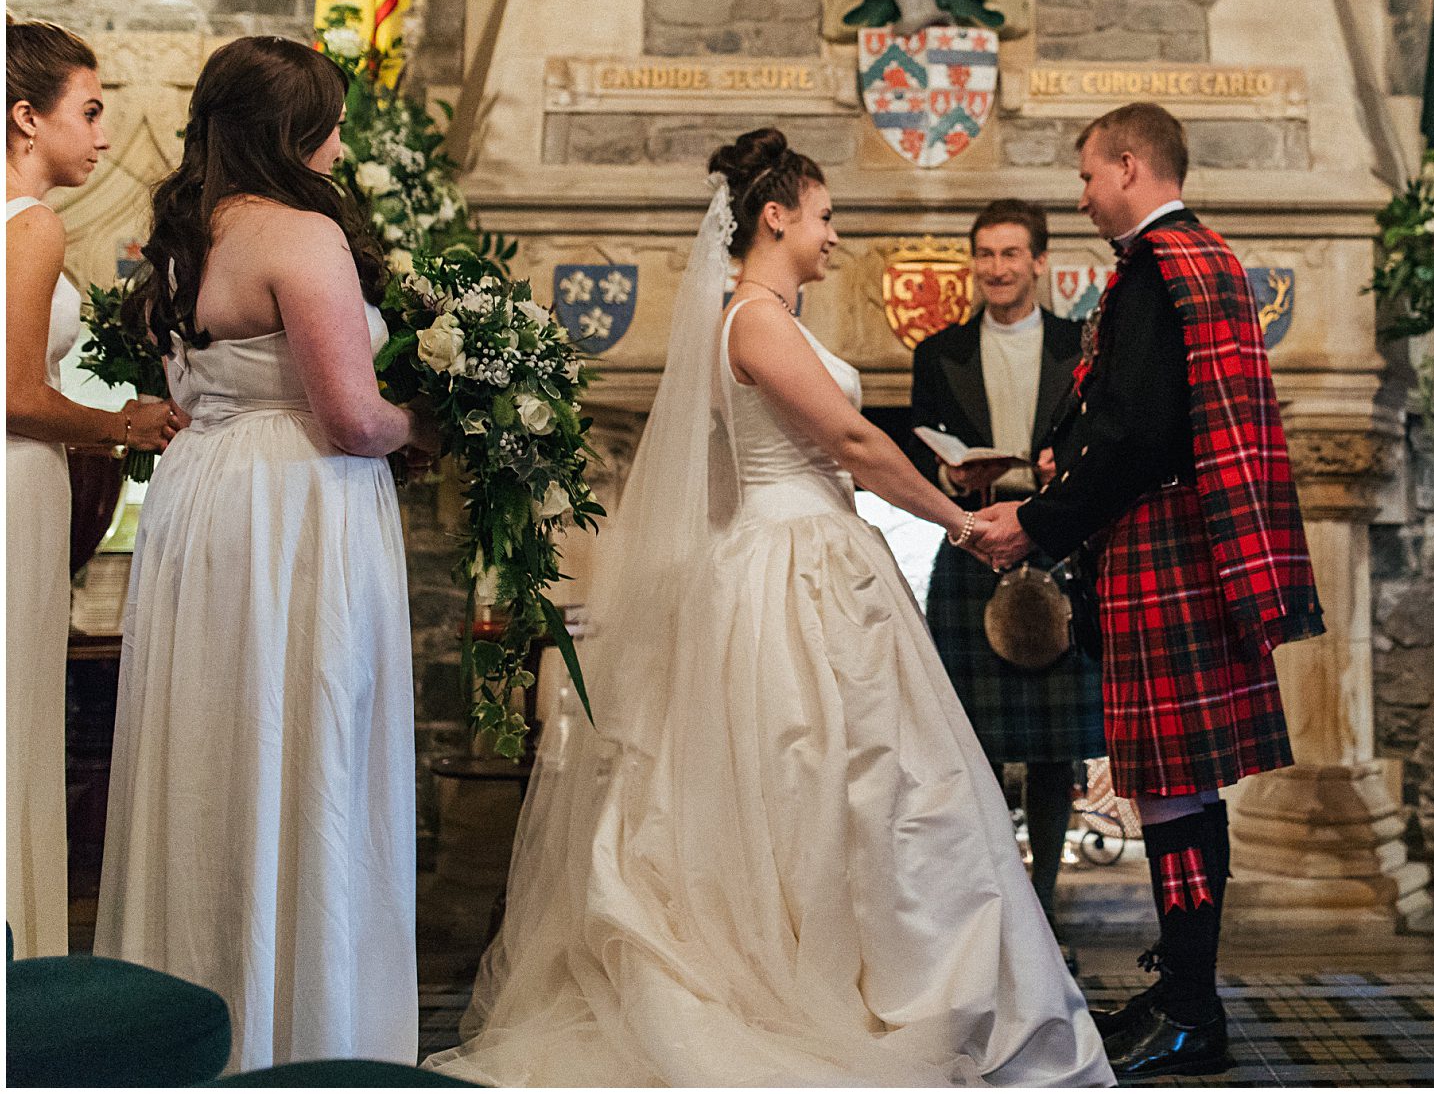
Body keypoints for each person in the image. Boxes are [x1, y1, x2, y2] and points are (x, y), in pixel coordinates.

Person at [424, 129, 1110, 1086]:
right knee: (823, 778)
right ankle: (811, 989)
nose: (835, 237)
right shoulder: (752, 320)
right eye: (825, 218)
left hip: (806, 554)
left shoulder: (762, 318)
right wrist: (963, 522)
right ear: (776, 216)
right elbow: (853, 442)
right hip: (792, 570)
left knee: (858, 783)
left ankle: (860, 968)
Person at [95, 36, 430, 1070]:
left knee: (213, 744)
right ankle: (306, 1038)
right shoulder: (301, 237)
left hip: (206, 506)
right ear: (294, 134)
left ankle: (190, 1020)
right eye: (329, 123)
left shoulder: (187, 235)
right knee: (306, 738)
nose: (339, 145)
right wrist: (433, 421)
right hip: (298, 510)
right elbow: (350, 419)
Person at [975, 103, 1323, 1079]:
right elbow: (1137, 418)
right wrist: (1059, 453)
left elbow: (1136, 440)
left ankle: (1189, 1014)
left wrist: (1036, 518)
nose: (1079, 196)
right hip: (1184, 546)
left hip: (1164, 550)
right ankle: (1182, 995)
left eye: (1086, 176)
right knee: (1177, 794)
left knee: (1173, 795)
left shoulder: (1155, 271)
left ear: (1128, 167)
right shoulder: (1195, 258)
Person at [5, 16, 183, 958]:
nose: (105, 135)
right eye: (92, 110)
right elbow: (18, 395)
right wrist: (124, 423)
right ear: (26, 119)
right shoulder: (30, 224)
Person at [906, 197, 1100, 963]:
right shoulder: (938, 353)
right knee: (975, 746)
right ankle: (990, 910)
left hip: (1055, 543)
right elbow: (925, 449)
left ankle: (1045, 909)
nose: (996, 268)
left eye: (1011, 254)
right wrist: (950, 472)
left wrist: (1066, 464)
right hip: (973, 541)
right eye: (985, 254)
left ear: (1039, 263)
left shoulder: (1078, 343)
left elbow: (1101, 436)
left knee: (1056, 749)